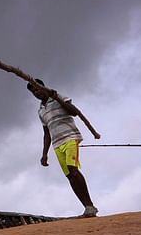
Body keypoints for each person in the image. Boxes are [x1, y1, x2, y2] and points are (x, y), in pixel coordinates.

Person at [27, 79, 101, 217]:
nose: (37, 92)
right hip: (57, 143)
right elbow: (46, 133)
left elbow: (74, 112)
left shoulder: (59, 97)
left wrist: (57, 99)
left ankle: (90, 206)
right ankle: (88, 208)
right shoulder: (40, 111)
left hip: (70, 137)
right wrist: (44, 154)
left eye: (38, 89)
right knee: (69, 176)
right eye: (34, 91)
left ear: (44, 87)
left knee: (73, 169)